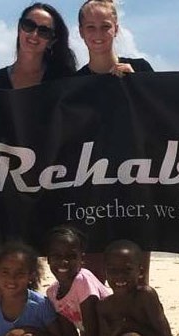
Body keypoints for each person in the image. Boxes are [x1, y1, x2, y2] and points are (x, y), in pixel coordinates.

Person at [0, 2, 77, 336]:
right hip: (7, 192)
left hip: (57, 187)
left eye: (44, 30)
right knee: (1, 271)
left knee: (62, 274)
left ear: (54, 40)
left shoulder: (64, 80)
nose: (35, 34)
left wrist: (125, 73)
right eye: (29, 25)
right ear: (18, 28)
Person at [75, 0, 153, 289]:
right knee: (93, 280)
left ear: (116, 28)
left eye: (105, 26)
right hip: (91, 191)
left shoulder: (140, 69)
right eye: (91, 27)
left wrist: (138, 86)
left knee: (137, 281)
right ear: (81, 32)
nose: (98, 34)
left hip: (135, 187)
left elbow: (164, 117)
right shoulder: (73, 84)